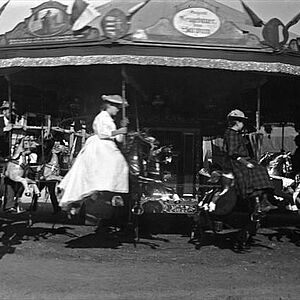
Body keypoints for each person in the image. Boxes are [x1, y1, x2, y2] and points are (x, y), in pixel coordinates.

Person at [58, 94, 129, 209]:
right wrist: (118, 131)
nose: (117, 110)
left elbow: (119, 139)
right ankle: (100, 191)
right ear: (109, 106)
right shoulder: (101, 117)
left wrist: (122, 128)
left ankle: (113, 191)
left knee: (122, 164)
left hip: (109, 145)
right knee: (116, 162)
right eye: (116, 107)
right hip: (100, 145)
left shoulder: (111, 120)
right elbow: (102, 134)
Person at [222, 109, 276, 212]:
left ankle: (263, 201)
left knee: (261, 169)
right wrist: (245, 163)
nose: (243, 124)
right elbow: (233, 153)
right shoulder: (231, 134)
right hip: (236, 161)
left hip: (243, 159)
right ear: (237, 122)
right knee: (257, 170)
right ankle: (255, 198)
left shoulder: (237, 134)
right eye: (242, 122)